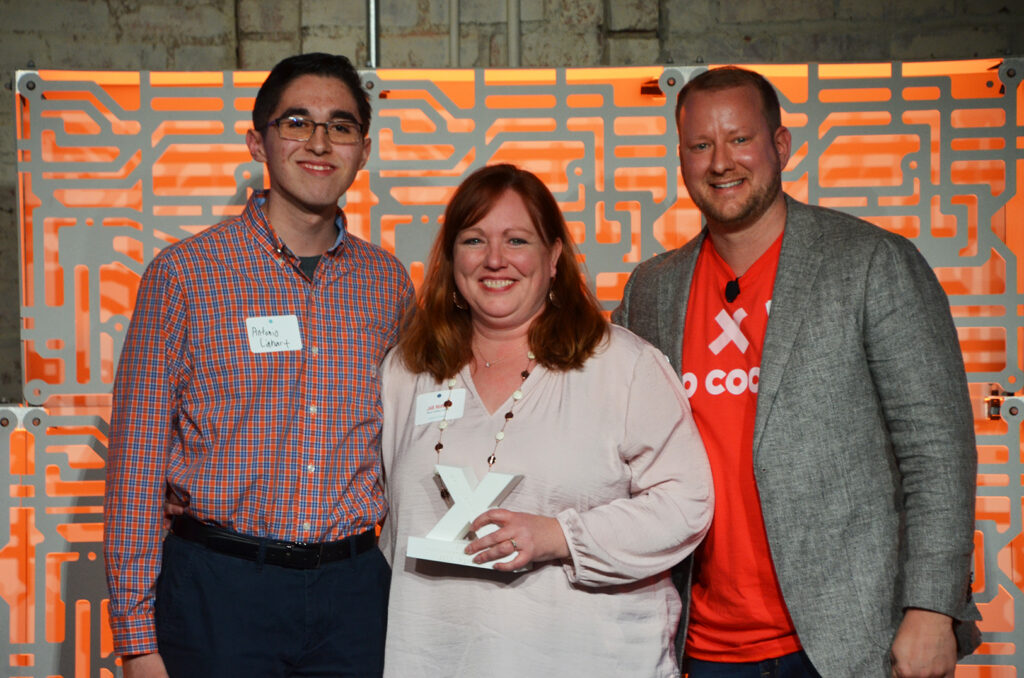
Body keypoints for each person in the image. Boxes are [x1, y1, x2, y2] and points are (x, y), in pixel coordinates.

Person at [613, 66, 981, 677]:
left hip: (851, 639)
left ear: (780, 146)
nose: (720, 162)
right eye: (700, 145)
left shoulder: (870, 263)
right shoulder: (653, 289)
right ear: (681, 159)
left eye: (740, 140)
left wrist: (932, 608)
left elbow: (938, 450)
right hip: (702, 646)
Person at [103, 53, 413, 678]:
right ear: (257, 141)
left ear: (364, 149)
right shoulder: (184, 275)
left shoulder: (388, 284)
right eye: (297, 122)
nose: (320, 142)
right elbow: (135, 463)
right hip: (221, 589)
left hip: (353, 593)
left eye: (341, 125)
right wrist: (137, 641)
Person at [379, 163, 714, 678]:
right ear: (451, 257)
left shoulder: (621, 366)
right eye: (473, 240)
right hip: (433, 657)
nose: (494, 260)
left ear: (554, 257)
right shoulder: (406, 370)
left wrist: (560, 535)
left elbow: (687, 502)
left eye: (517, 240)